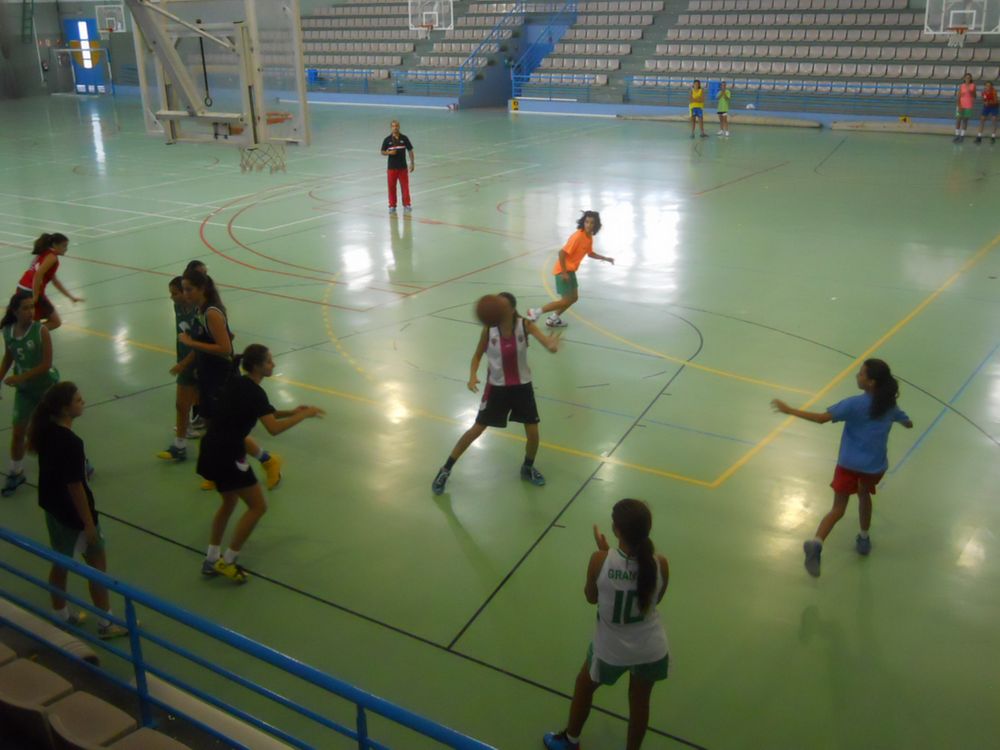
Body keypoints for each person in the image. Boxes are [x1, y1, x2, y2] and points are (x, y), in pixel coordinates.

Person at [543, 499, 670, 750]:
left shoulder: (599, 561)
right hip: (652, 649)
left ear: (617, 530)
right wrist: (609, 554)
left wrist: (604, 554)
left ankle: (570, 740)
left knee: (584, 686)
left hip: (611, 649)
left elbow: (591, 598)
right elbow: (655, 599)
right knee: (640, 703)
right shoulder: (660, 564)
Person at [771, 359, 913, 578]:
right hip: (873, 467)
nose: (857, 376)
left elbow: (821, 419)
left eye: (862, 374)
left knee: (838, 508)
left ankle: (816, 543)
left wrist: (789, 410)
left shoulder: (853, 404)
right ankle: (864, 538)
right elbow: (907, 421)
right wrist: (904, 422)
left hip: (848, 465)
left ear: (871, 383)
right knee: (864, 495)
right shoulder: (889, 406)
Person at [198, 345, 324, 583]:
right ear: (257, 366)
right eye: (269, 362)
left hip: (211, 449)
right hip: (229, 455)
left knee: (229, 503)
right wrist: (304, 416)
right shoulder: (255, 393)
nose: (273, 365)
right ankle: (229, 561)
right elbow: (273, 429)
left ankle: (212, 559)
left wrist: (292, 412)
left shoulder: (238, 382)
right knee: (258, 507)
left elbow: (267, 413)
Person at [432, 292, 559, 495]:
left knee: (533, 433)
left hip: (522, 386)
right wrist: (472, 375)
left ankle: (527, 468)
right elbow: (476, 357)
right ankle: (445, 470)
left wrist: (552, 346)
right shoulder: (488, 330)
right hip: (497, 388)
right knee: (476, 429)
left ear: (510, 309)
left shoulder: (524, 326)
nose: (497, 309)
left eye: (501, 306)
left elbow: (547, 343)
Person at [28, 382, 127, 638]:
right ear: (64, 409)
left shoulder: (46, 431)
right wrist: (89, 524)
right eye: (78, 400)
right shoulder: (71, 442)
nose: (83, 402)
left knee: (60, 562)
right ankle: (106, 624)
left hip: (54, 510)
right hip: (74, 517)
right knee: (97, 567)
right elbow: (76, 487)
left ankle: (60, 613)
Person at [179, 269, 282, 489]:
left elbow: (225, 348)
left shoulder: (211, 313)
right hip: (207, 377)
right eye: (183, 289)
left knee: (226, 430)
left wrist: (191, 343)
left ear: (201, 289)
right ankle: (217, 470)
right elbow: (221, 337)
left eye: (189, 289)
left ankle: (268, 461)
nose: (184, 293)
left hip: (221, 378)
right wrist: (191, 362)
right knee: (210, 426)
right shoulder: (200, 310)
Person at [0, 291, 59, 496]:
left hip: (46, 389)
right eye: (25, 308)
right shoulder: (7, 331)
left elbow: (46, 364)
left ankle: (81, 462)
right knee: (18, 433)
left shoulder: (41, 330)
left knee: (55, 433)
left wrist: (19, 378)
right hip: (25, 392)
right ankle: (16, 471)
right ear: (15, 311)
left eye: (32, 307)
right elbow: (9, 357)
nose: (30, 312)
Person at [525, 212, 615, 328]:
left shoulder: (589, 237)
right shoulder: (578, 237)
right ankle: (535, 312)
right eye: (587, 222)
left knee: (574, 298)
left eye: (592, 223)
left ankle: (553, 319)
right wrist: (563, 272)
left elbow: (590, 253)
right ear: (583, 222)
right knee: (565, 301)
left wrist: (605, 258)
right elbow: (561, 253)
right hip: (563, 271)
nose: (588, 225)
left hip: (570, 270)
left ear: (595, 225)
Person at [157, 277, 199, 461]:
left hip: (199, 363)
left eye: (175, 293)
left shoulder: (199, 312)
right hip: (185, 361)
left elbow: (201, 345)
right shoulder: (178, 307)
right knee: (181, 405)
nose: (172, 297)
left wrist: (183, 364)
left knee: (211, 410)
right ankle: (179, 445)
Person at [17, 233, 83, 331]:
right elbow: (38, 275)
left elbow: (55, 281)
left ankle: (32, 336)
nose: (66, 249)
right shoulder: (52, 257)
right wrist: (35, 296)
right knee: (56, 322)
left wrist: (70, 297)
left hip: (21, 288)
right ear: (55, 245)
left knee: (35, 321)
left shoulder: (44, 253)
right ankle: (31, 334)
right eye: (64, 246)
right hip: (31, 291)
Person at [380, 119, 415, 214]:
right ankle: (392, 206)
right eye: (393, 126)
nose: (395, 128)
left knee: (405, 187)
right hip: (391, 168)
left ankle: (407, 204)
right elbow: (382, 151)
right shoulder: (387, 140)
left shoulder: (404, 138)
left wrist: (412, 163)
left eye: (396, 126)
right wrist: (389, 152)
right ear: (391, 128)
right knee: (391, 187)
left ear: (399, 127)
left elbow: (410, 150)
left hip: (402, 168)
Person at [954, 72, 976, 143]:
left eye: (969, 78)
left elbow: (975, 96)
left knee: (965, 120)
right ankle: (957, 135)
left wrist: (972, 92)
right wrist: (958, 105)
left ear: (971, 79)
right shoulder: (961, 85)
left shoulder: (973, 85)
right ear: (964, 78)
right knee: (958, 120)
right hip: (961, 104)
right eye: (966, 78)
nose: (967, 79)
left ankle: (962, 136)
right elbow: (958, 96)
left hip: (968, 105)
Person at [975, 80, 998, 144]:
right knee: (982, 119)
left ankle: (993, 137)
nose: (988, 86)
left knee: (993, 120)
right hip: (987, 107)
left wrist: (990, 102)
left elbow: (996, 101)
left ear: (991, 86)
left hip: (994, 107)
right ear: (985, 86)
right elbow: (983, 99)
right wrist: (985, 102)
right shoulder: (983, 92)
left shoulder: (994, 91)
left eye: (989, 85)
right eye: (987, 85)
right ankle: (979, 137)